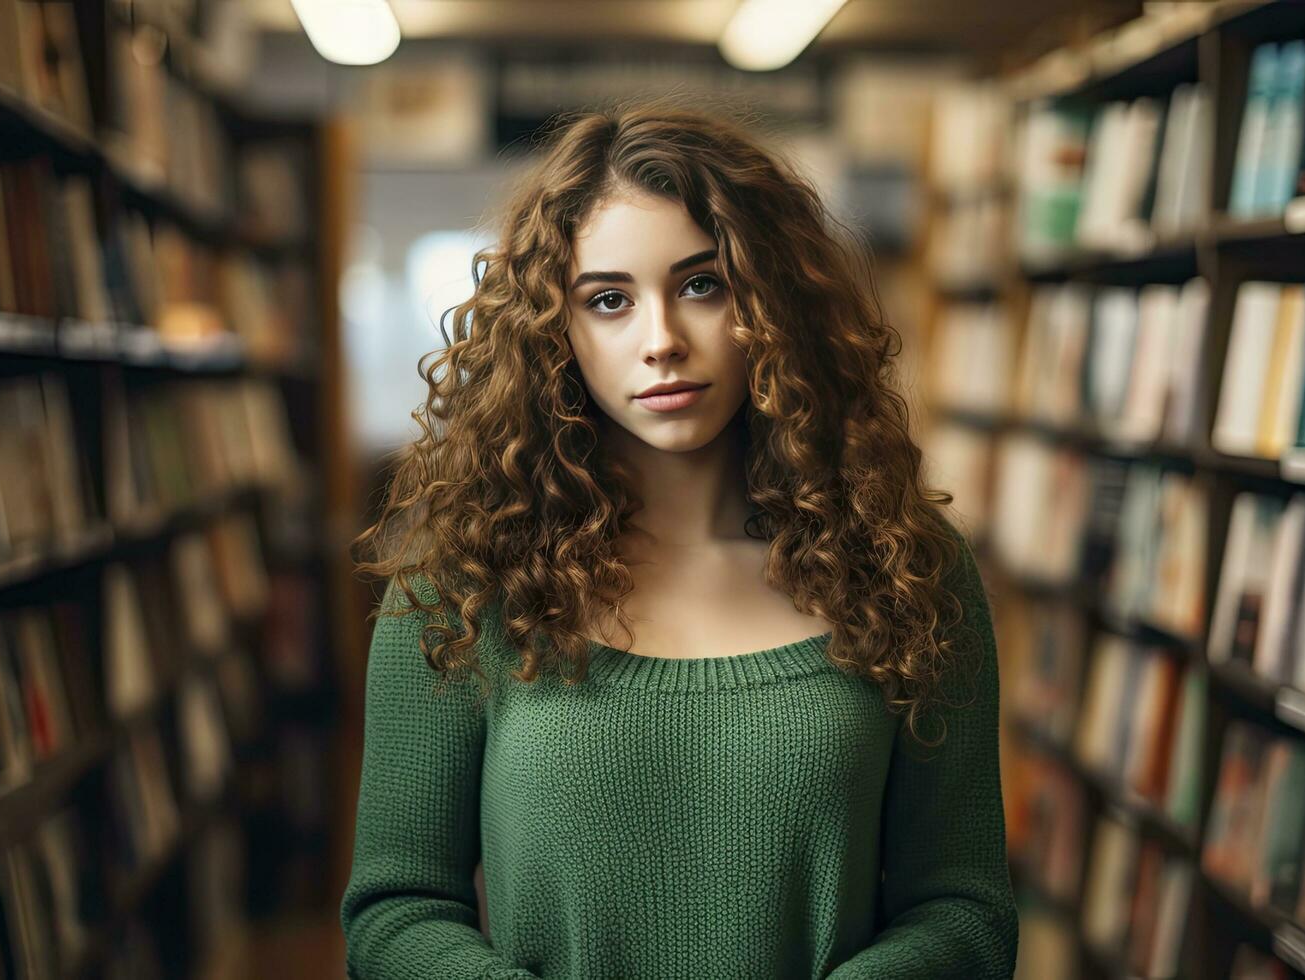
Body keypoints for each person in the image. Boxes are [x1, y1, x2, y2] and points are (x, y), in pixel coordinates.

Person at [339, 100, 1017, 979]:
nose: (660, 341)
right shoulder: (461, 585)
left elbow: (964, 910)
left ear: (771, 301)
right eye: (609, 300)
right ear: (556, 330)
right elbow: (395, 911)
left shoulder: (904, 568)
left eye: (702, 285)